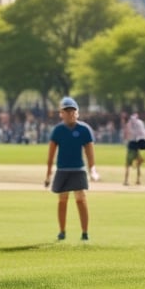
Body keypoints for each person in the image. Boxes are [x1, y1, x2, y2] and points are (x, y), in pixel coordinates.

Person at [45, 97, 97, 242]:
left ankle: (85, 232)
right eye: (66, 111)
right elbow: (51, 154)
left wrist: (92, 169)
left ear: (77, 113)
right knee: (62, 200)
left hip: (78, 169)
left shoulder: (84, 129)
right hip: (62, 169)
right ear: (61, 113)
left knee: (80, 199)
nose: (70, 114)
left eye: (72, 111)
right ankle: (62, 231)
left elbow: (89, 152)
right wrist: (48, 174)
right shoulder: (58, 130)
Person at [123, 113, 145, 185]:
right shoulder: (139, 123)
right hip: (138, 144)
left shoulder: (129, 124)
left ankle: (126, 180)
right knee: (138, 163)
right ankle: (138, 180)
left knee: (127, 164)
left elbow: (127, 135)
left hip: (131, 144)